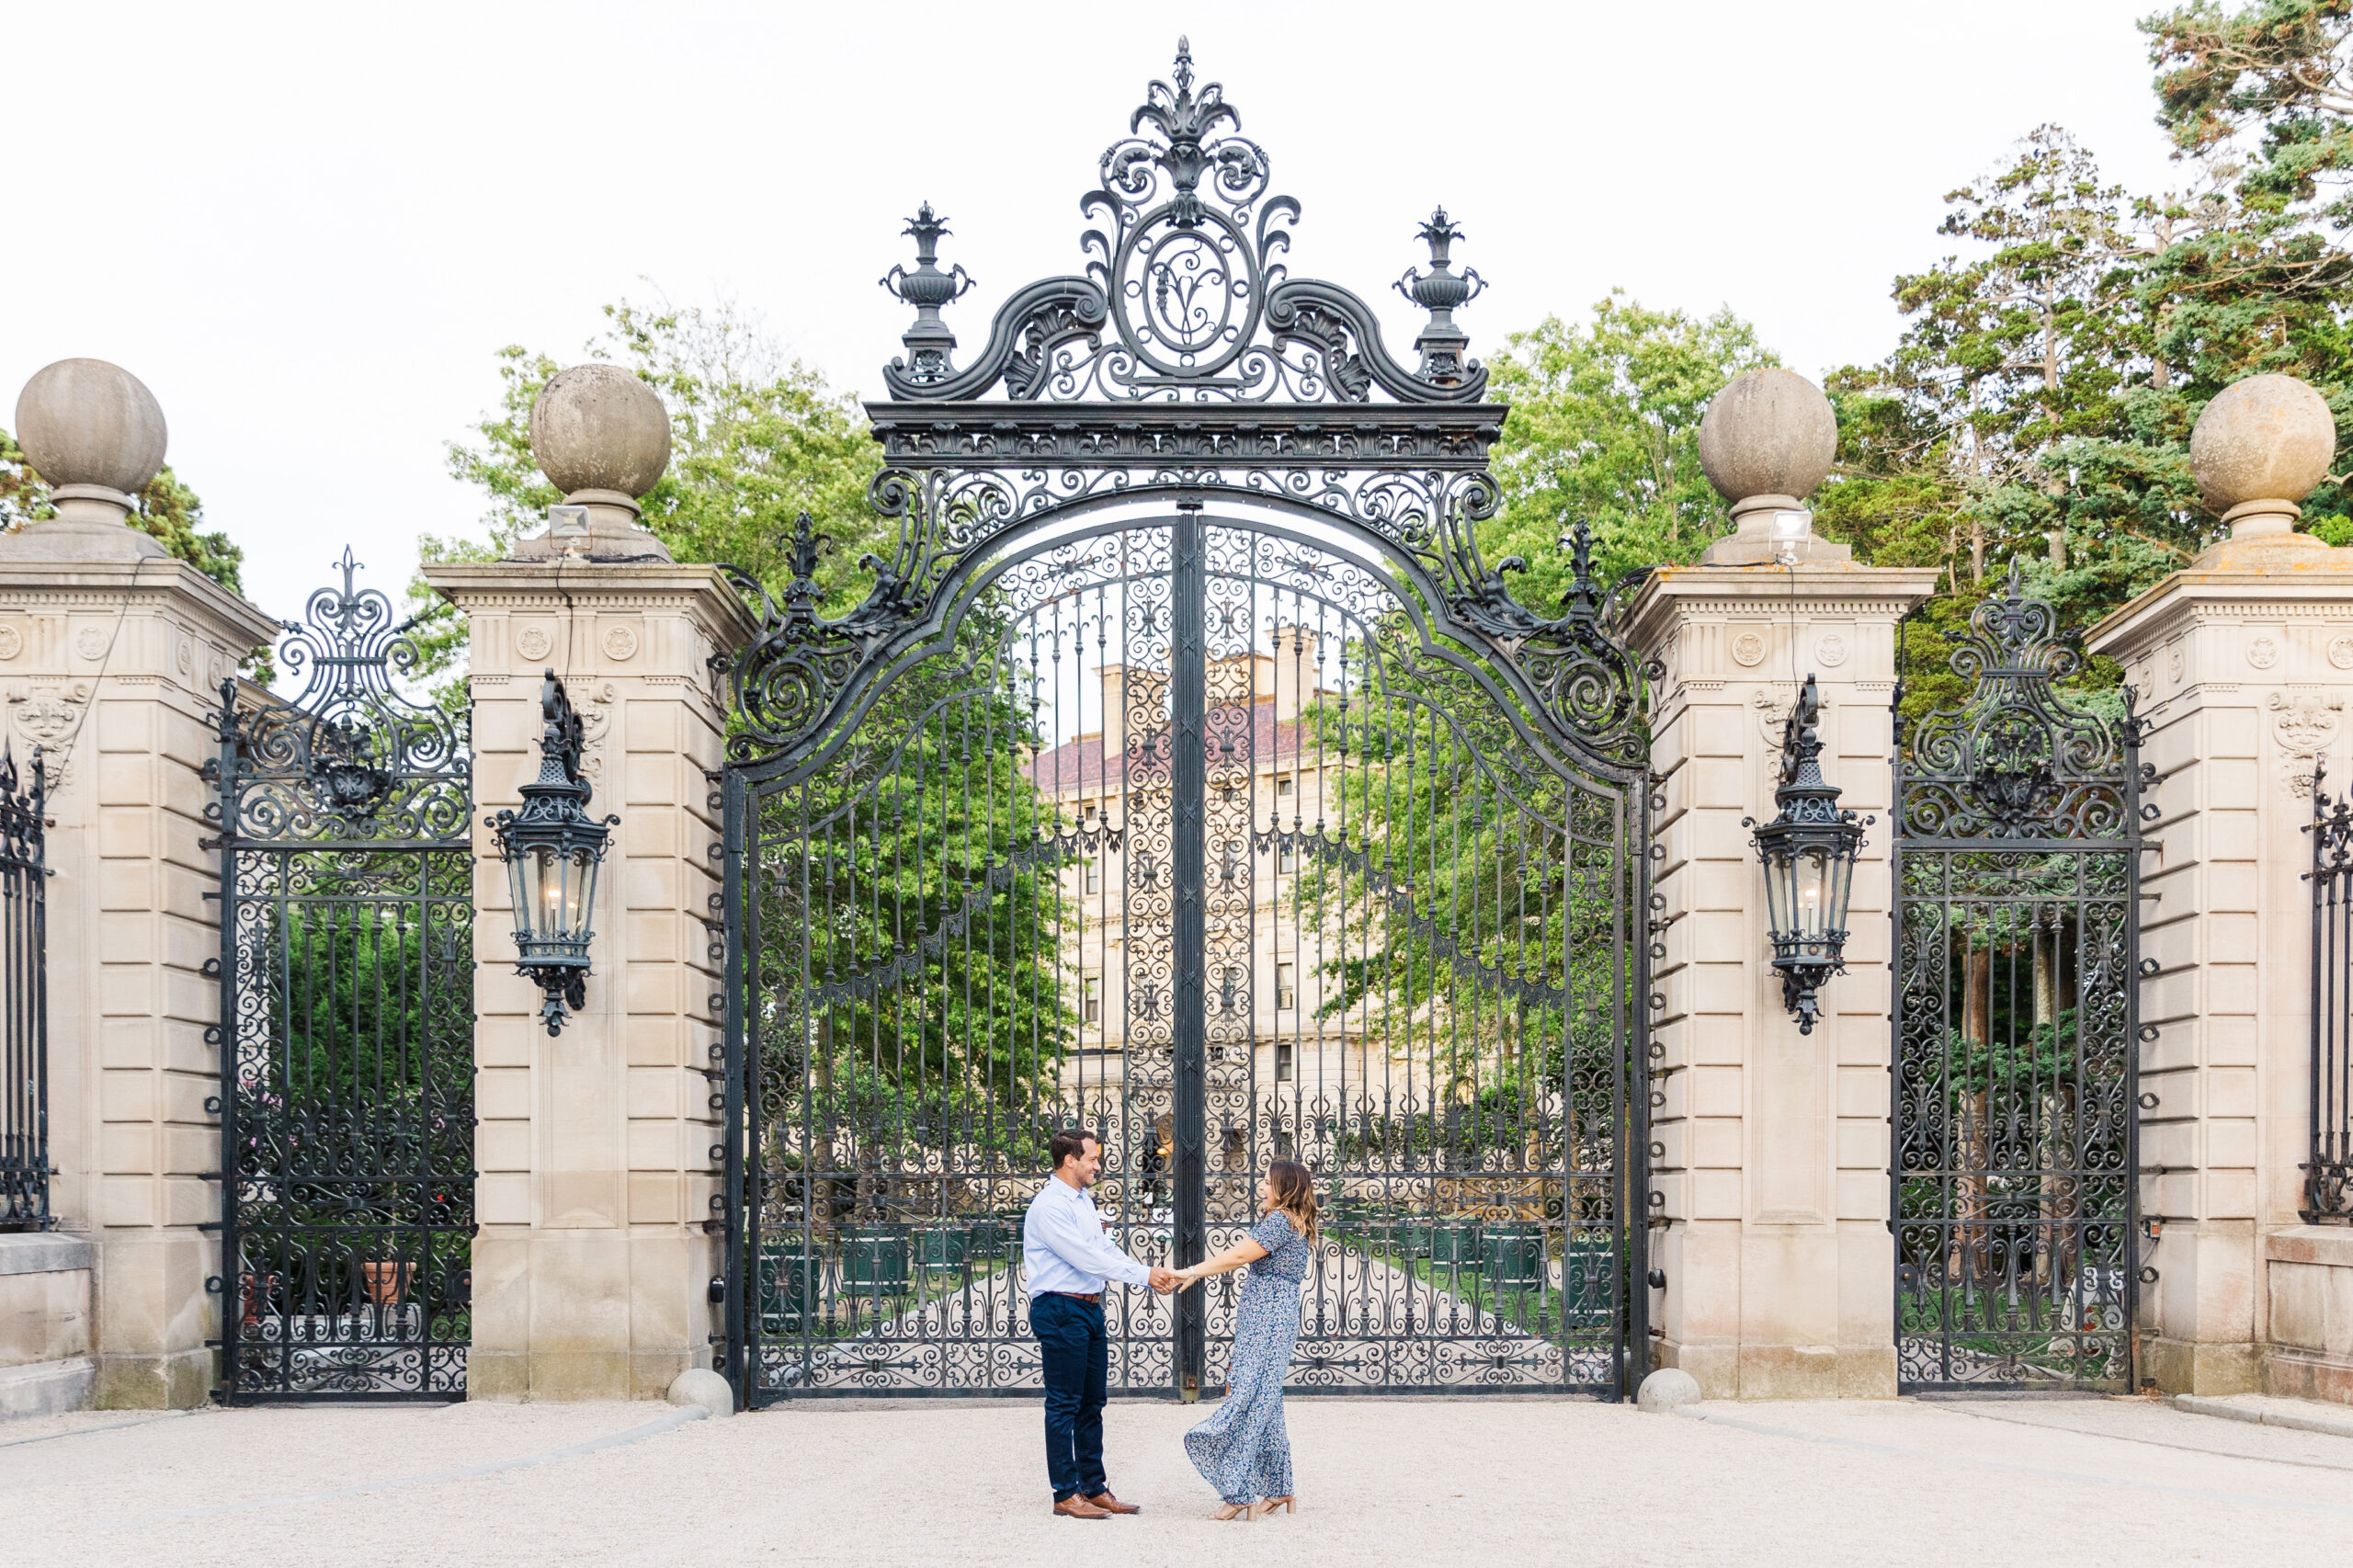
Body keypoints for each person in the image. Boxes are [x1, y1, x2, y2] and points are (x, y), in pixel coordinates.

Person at [1024, 1127, 1177, 1519]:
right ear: (1069, 1159)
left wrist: (1146, 1270)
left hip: (1088, 1308)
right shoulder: (1050, 1207)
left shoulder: (1082, 1201)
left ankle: (1093, 1487)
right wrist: (1145, 1276)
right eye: (1092, 1158)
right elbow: (1084, 1258)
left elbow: (1103, 1249)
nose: (1098, 1164)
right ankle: (1064, 1493)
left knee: (1092, 1402)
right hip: (1060, 1309)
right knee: (1064, 1404)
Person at [1173, 1158, 1316, 1520]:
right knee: (1264, 1397)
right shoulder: (1285, 1221)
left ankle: (1238, 1490)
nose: (1261, 1187)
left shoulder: (1281, 1221)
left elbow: (1238, 1256)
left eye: (1267, 1183)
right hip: (1269, 1313)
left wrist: (1190, 1271)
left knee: (1248, 1396)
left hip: (1268, 1315)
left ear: (1284, 1188)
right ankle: (1280, 1488)